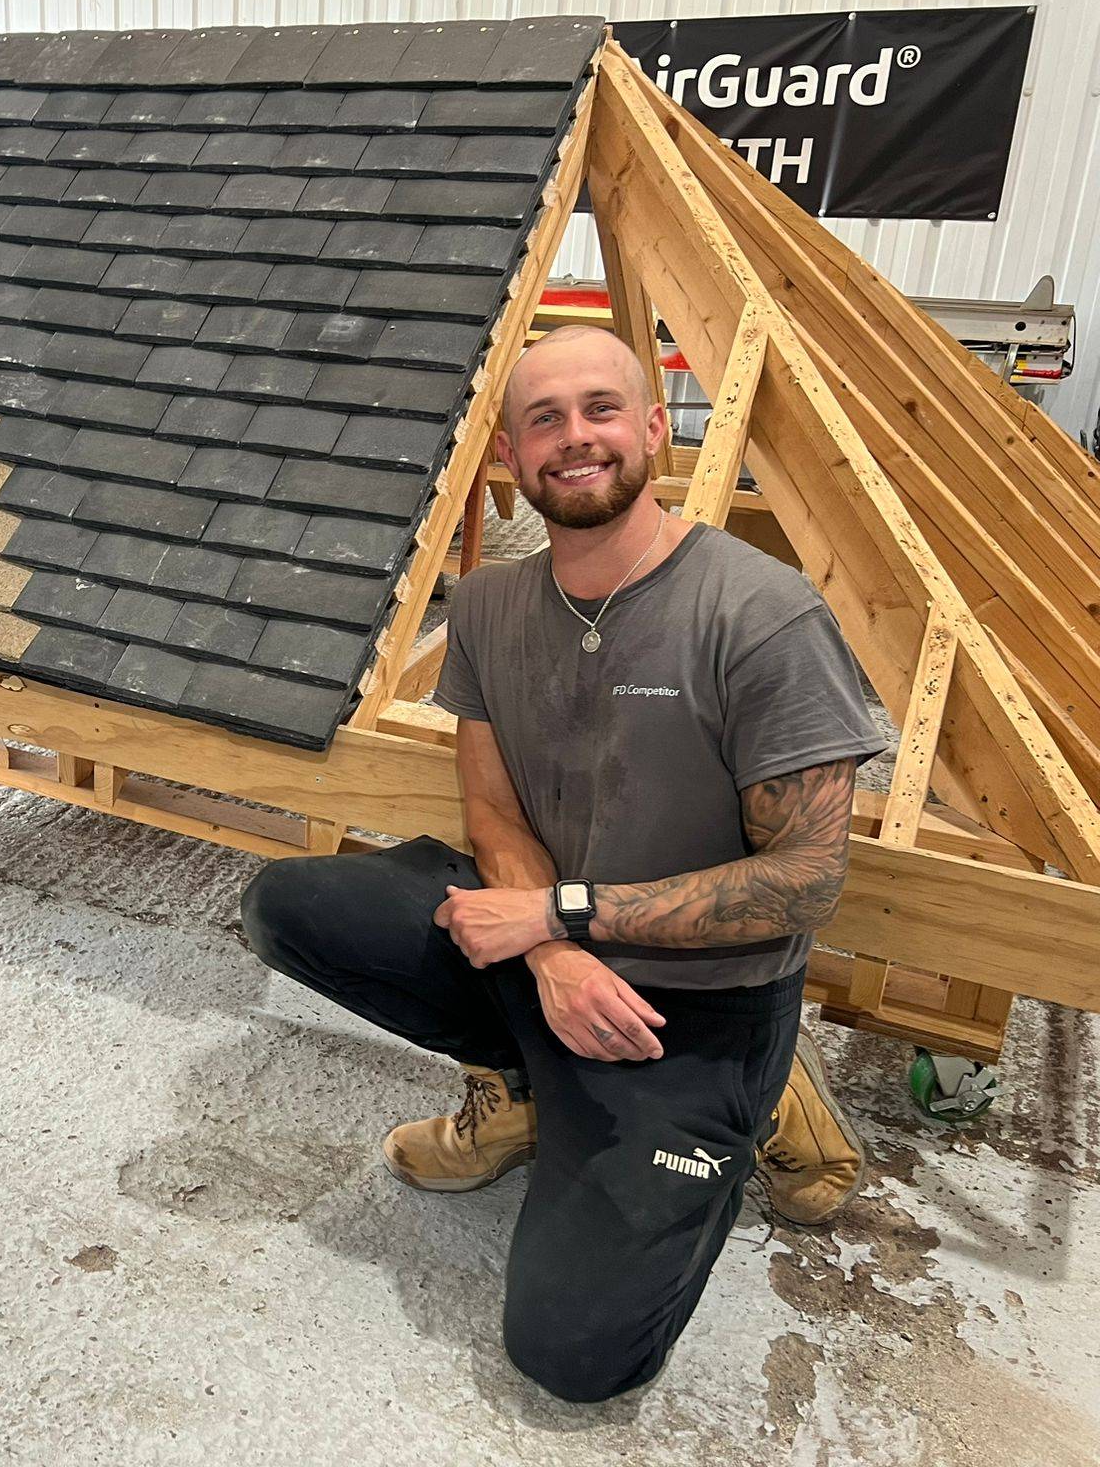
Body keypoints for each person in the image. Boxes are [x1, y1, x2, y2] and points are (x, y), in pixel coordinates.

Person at [240, 326, 884, 1403]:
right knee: (283, 907)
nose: (572, 437)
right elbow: (489, 805)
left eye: (598, 409)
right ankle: (531, 1088)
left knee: (571, 1359)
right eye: (542, 418)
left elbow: (807, 880)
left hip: (695, 1009)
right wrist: (546, 948)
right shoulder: (491, 608)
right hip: (543, 948)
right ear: (507, 456)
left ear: (651, 428)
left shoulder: (760, 616)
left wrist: (559, 916)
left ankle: (746, 1114)